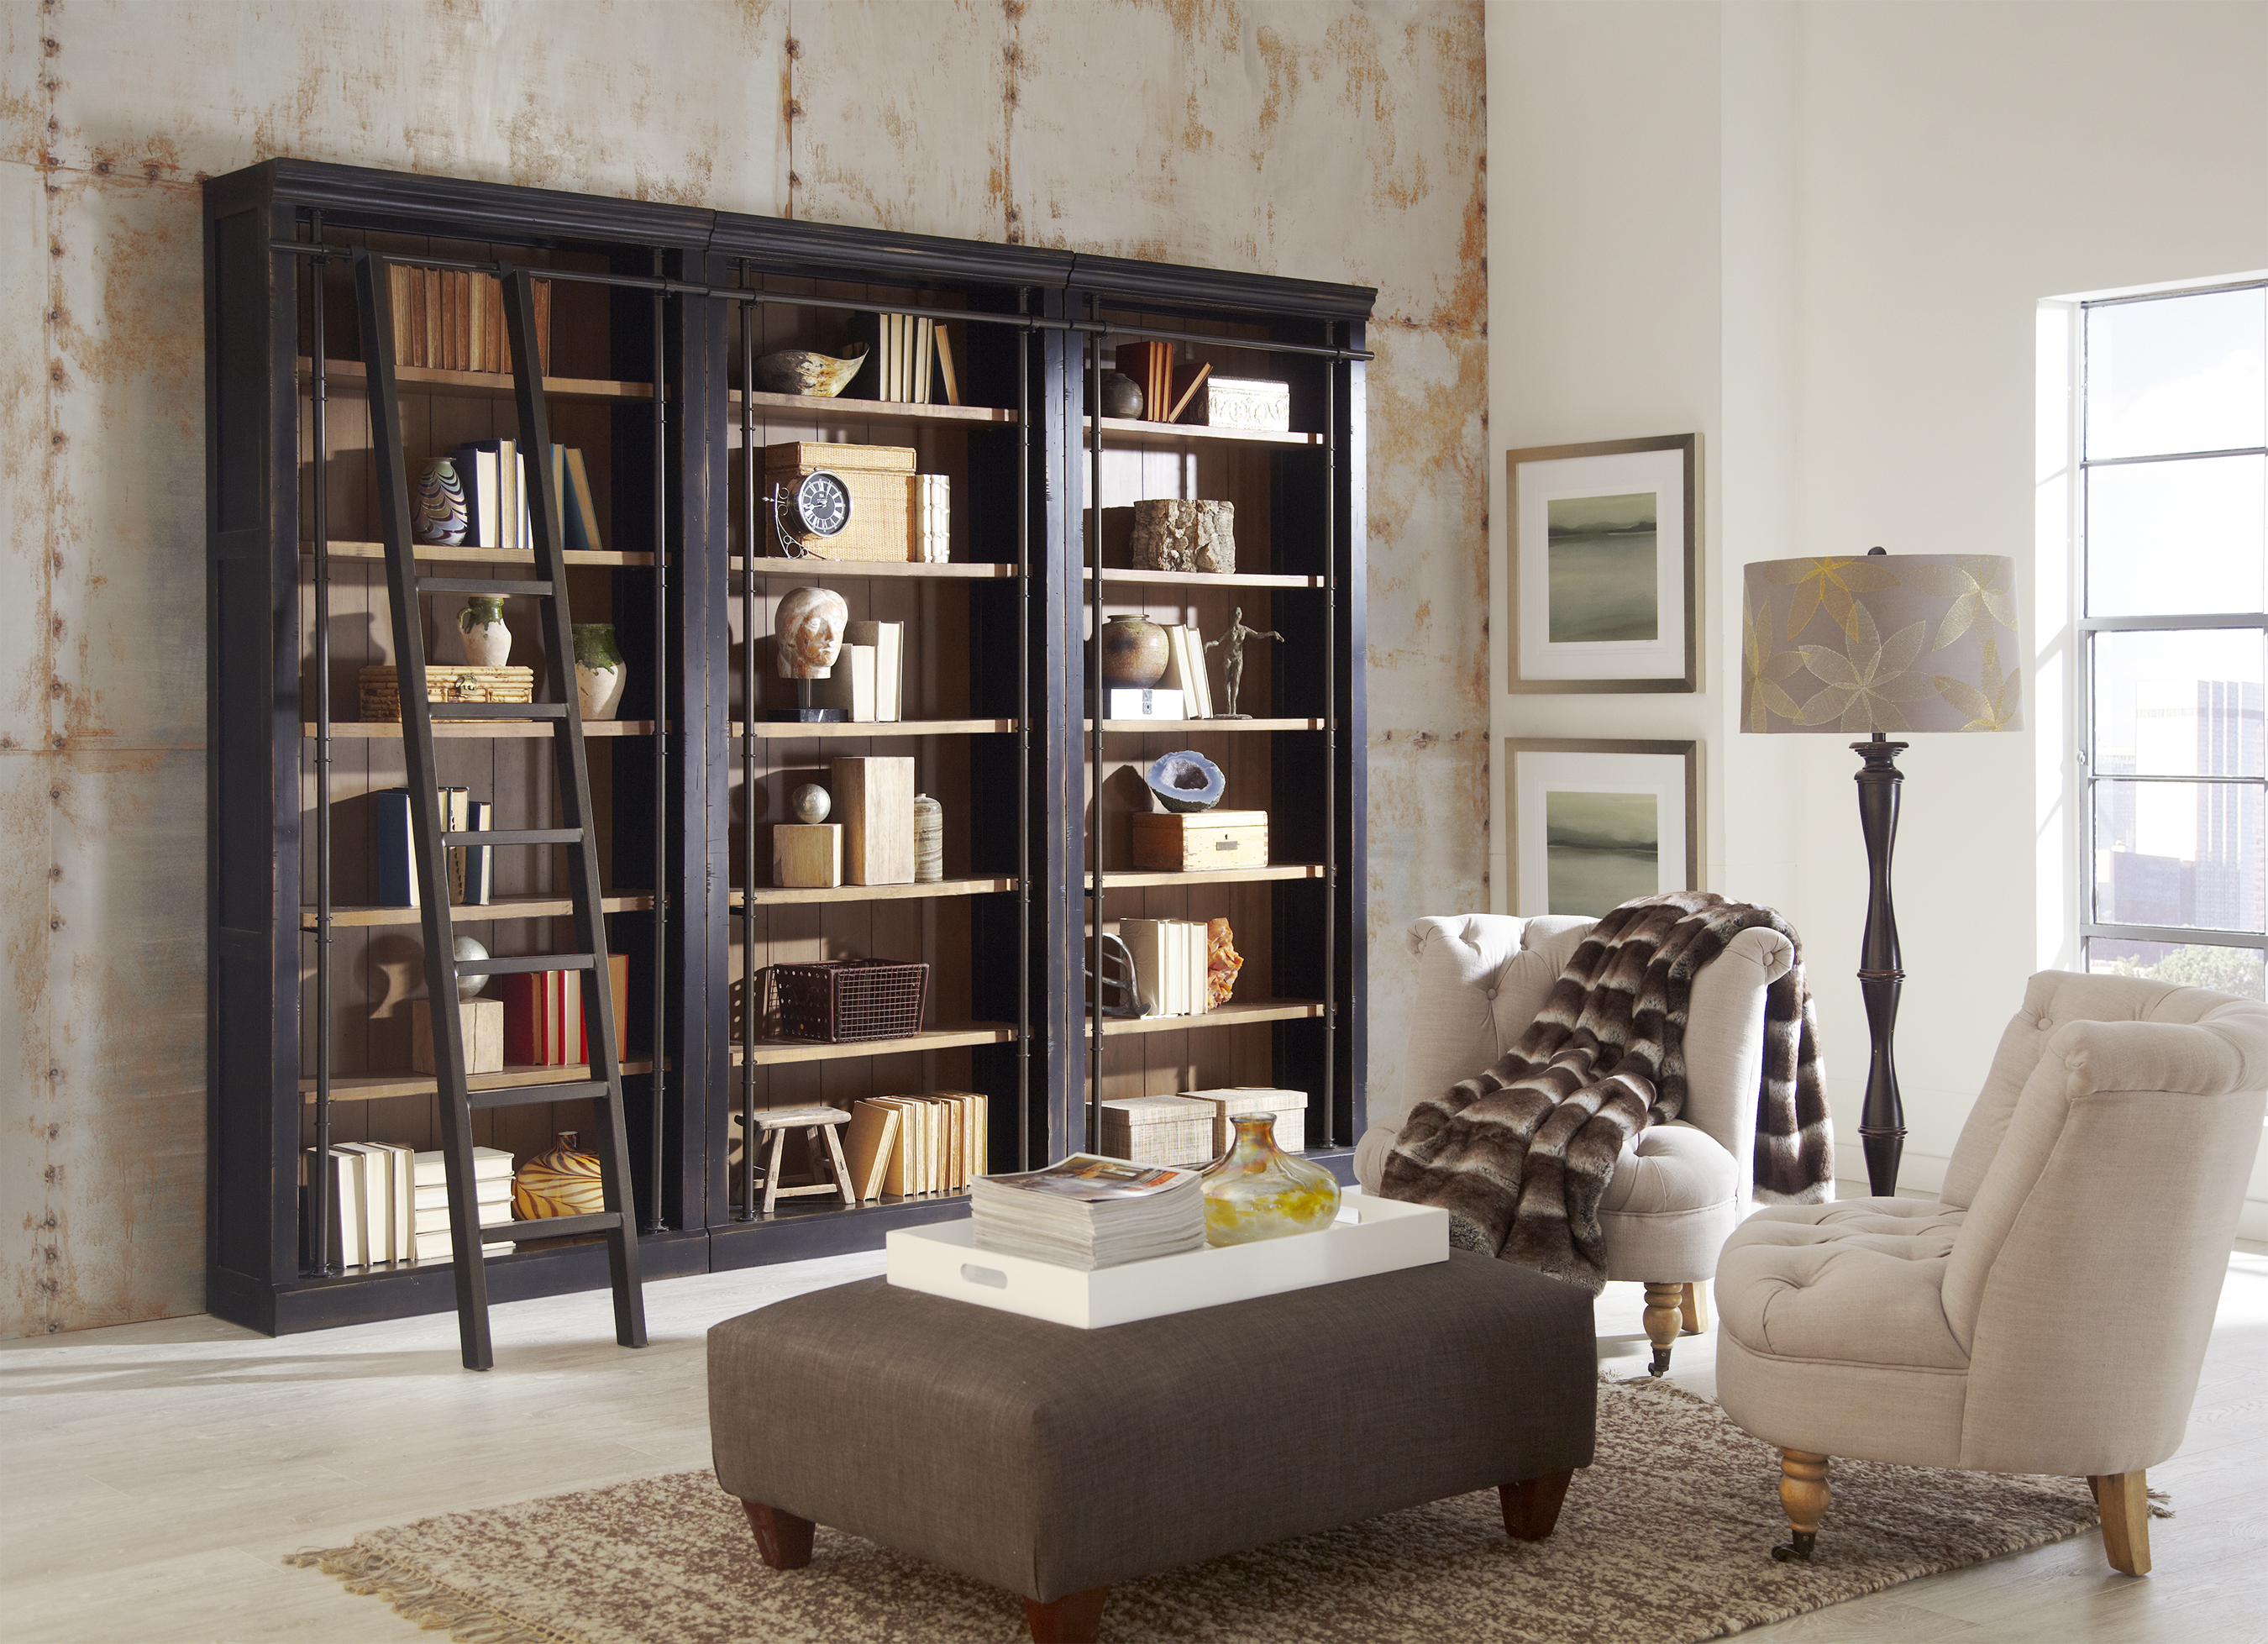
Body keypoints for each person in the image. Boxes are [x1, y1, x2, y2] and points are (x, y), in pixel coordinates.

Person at [1204, 607, 1284, 718]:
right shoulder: (1229, 630)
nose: (1238, 614)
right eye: (1236, 613)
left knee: (1236, 681)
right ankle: (1228, 708)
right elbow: (1218, 641)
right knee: (1227, 681)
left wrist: (1271, 633)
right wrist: (1207, 644)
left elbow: (1258, 635)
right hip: (1228, 657)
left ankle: (1234, 709)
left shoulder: (1244, 629)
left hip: (1238, 657)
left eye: (1239, 613)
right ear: (1232, 616)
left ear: (1241, 616)